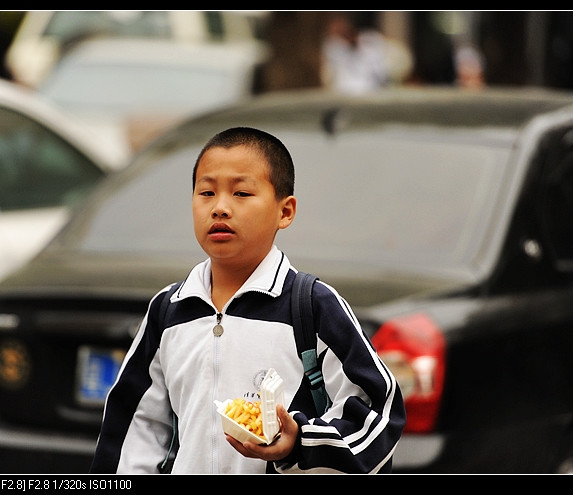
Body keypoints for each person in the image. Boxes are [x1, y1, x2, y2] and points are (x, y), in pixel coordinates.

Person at [89, 127, 406, 474]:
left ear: (285, 212)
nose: (220, 208)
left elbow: (379, 412)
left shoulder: (313, 306)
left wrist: (299, 442)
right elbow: (137, 428)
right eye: (206, 192)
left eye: (241, 193)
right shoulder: (169, 310)